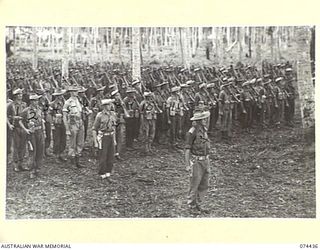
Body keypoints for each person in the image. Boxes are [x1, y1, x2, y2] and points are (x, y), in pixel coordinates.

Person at [185, 110, 211, 214]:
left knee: (204, 183)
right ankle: (191, 205)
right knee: (194, 184)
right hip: (196, 162)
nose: (205, 120)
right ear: (198, 120)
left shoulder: (204, 130)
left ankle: (198, 204)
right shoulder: (192, 132)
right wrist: (187, 165)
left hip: (205, 160)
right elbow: (187, 150)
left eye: (205, 118)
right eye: (203, 119)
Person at [19, 94, 45, 179]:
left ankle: (38, 168)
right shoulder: (26, 110)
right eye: (35, 100)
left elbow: (42, 121)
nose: (37, 102)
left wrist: (44, 132)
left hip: (40, 132)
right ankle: (31, 170)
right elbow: (20, 121)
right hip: (32, 134)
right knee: (32, 151)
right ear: (31, 101)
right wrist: (26, 130)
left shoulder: (39, 109)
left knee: (40, 151)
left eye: (37, 100)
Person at [92, 99, 117, 182]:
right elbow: (94, 129)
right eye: (109, 105)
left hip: (111, 136)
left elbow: (114, 128)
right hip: (103, 137)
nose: (111, 106)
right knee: (103, 156)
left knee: (111, 156)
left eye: (110, 105)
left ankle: (108, 173)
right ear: (105, 106)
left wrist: (114, 139)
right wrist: (95, 142)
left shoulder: (113, 114)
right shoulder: (100, 115)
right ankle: (102, 174)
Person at [62, 85, 85, 168]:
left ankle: (77, 160)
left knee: (80, 142)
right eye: (75, 91)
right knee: (72, 143)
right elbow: (64, 116)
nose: (77, 92)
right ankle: (72, 161)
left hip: (80, 122)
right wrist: (67, 129)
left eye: (77, 91)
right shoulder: (68, 102)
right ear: (71, 92)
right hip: (72, 123)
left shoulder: (79, 100)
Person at [7, 88, 28, 172]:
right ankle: (15, 164)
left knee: (23, 145)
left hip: (23, 126)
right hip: (15, 127)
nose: (20, 96)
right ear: (15, 96)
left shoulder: (24, 104)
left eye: (21, 94)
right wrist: (10, 124)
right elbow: (6, 116)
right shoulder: (10, 105)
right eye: (18, 94)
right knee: (16, 146)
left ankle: (21, 163)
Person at [51, 87, 67, 162]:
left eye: (61, 95)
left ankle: (61, 154)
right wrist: (52, 124)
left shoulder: (64, 103)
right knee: (56, 140)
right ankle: (56, 155)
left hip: (63, 123)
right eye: (60, 95)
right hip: (56, 124)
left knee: (63, 139)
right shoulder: (52, 104)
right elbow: (49, 115)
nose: (61, 96)